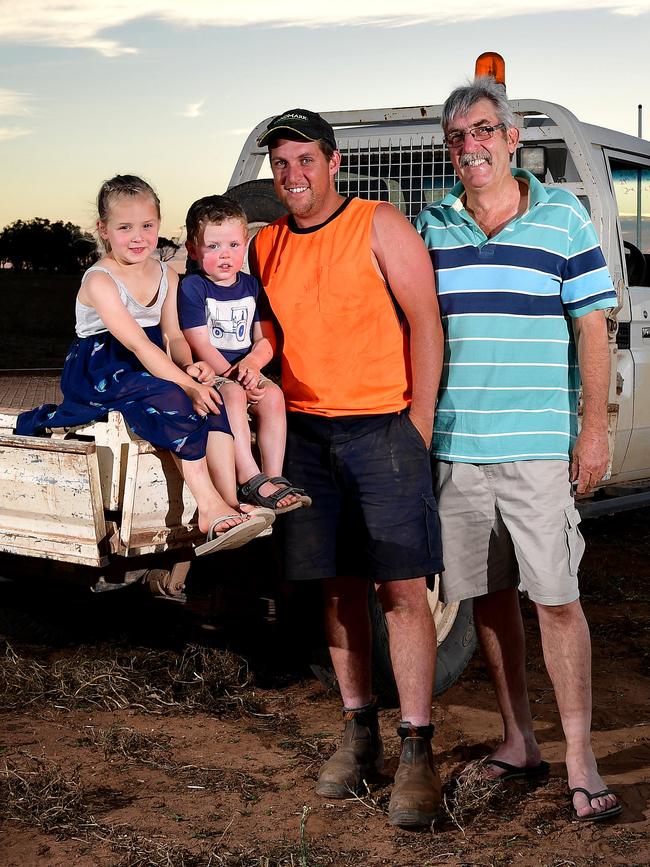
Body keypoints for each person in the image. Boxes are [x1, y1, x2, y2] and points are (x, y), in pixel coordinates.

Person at [415, 77, 622, 822]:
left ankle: (580, 755)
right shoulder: (432, 224)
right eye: (457, 137)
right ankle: (519, 739)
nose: (470, 146)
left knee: (557, 599)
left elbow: (592, 326)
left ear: (510, 138)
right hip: (459, 447)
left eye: (482, 131)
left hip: (538, 446)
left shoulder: (563, 217)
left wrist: (591, 429)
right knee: (491, 598)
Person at [251, 108, 445, 829]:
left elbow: (425, 319)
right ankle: (359, 730)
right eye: (282, 164)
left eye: (306, 160)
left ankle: (418, 748)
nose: (293, 175)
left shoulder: (378, 224)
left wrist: (417, 425)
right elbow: (258, 325)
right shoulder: (266, 243)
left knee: (401, 589)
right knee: (337, 590)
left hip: (382, 429)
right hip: (306, 435)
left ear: (333, 162)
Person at [16, 174, 271, 555]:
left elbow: (173, 337)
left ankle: (231, 502)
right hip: (103, 367)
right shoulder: (100, 280)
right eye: (125, 227)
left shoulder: (166, 274)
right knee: (174, 396)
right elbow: (135, 342)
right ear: (103, 229)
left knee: (213, 394)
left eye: (147, 226)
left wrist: (191, 369)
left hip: (154, 361)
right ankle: (208, 506)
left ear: (158, 224)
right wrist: (184, 385)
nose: (138, 236)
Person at [178, 195, 311, 515]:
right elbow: (200, 344)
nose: (225, 255)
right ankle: (249, 476)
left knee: (274, 396)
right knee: (235, 396)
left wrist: (252, 365)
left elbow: (265, 339)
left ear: (246, 242)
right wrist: (235, 374)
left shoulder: (252, 287)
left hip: (246, 370)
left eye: (234, 245)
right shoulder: (193, 288)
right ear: (193, 250)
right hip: (213, 372)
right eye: (213, 247)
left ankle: (274, 477)